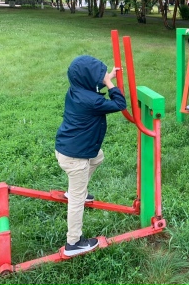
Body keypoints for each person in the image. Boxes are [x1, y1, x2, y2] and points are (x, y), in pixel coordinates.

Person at [55, 56, 127, 257]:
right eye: (98, 75)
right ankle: (74, 243)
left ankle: (75, 191)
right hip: (75, 157)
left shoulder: (75, 91)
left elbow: (91, 88)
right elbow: (120, 103)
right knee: (77, 201)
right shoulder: (93, 101)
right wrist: (110, 83)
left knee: (97, 157)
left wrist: (107, 77)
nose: (102, 78)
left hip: (68, 148)